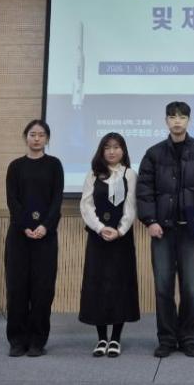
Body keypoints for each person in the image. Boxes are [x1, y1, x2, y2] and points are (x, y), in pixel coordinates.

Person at [136, 101, 194, 358]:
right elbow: (145, 190)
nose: (177, 121)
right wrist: (150, 221)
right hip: (162, 230)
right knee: (163, 287)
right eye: (172, 117)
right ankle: (166, 339)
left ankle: (187, 339)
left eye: (182, 117)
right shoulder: (153, 154)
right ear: (166, 121)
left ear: (188, 121)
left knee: (190, 289)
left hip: (191, 230)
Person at [4, 119, 64, 357]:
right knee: (17, 288)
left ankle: (38, 340)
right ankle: (17, 340)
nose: (36, 138)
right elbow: (12, 200)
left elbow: (56, 200)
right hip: (19, 236)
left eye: (41, 135)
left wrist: (45, 226)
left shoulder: (54, 165)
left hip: (46, 237)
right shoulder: (15, 166)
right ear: (25, 137)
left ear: (47, 139)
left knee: (42, 290)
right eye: (32, 134)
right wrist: (26, 226)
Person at [78, 133, 140, 357]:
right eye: (107, 147)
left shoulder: (130, 174)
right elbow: (86, 205)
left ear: (123, 150)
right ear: (101, 151)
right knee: (98, 286)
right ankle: (101, 338)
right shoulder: (93, 174)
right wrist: (99, 228)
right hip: (98, 238)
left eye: (116, 147)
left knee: (119, 286)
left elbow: (131, 206)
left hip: (121, 239)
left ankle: (115, 338)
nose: (112, 151)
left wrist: (120, 230)